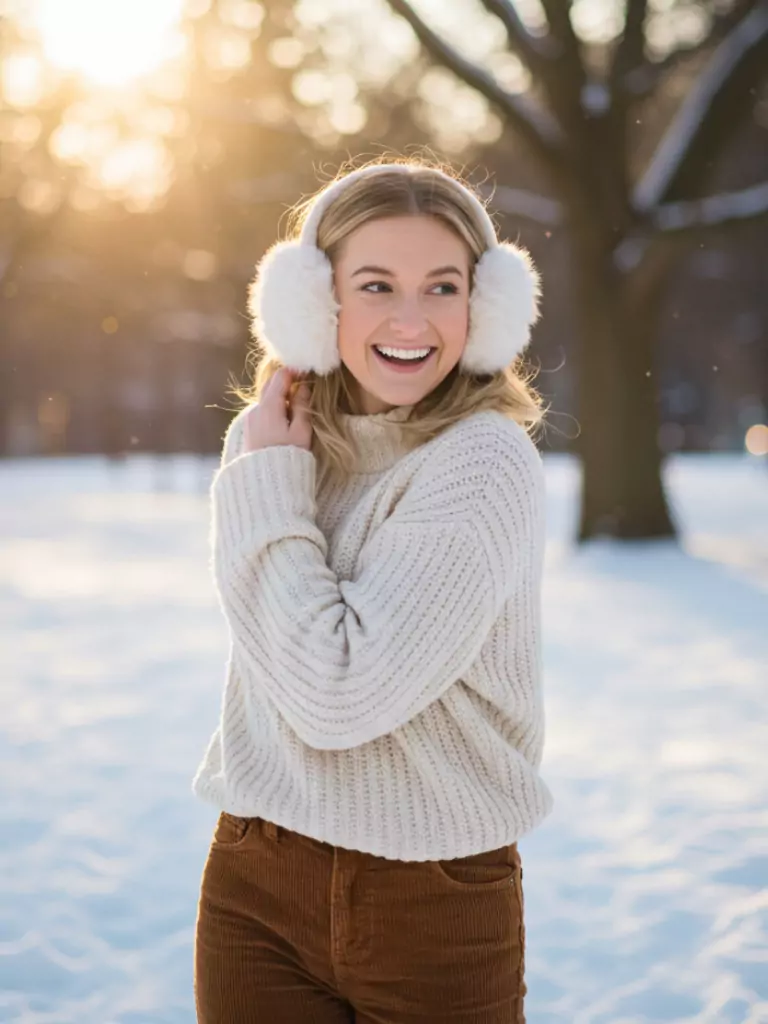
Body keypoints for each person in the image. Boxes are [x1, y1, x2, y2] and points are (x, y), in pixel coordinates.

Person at [192, 158, 554, 1023]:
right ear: (317, 304)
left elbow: (337, 694)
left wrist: (271, 486)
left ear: (485, 306)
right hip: (256, 872)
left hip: (431, 898)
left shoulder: (481, 462)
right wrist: (277, 470)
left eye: (442, 287)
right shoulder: (282, 442)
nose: (409, 319)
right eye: (376, 283)